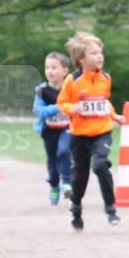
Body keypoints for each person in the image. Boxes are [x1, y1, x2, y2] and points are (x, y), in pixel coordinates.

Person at [58, 32, 125, 231]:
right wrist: (72, 108)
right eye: (94, 53)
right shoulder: (73, 80)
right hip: (79, 135)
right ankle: (76, 207)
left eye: (100, 52)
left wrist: (115, 116)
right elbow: (62, 103)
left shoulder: (105, 78)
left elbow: (104, 102)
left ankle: (111, 207)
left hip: (102, 131)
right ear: (81, 59)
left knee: (101, 165)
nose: (100, 56)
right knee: (80, 177)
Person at [33, 52, 74, 204]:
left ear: (65, 71)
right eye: (47, 67)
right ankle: (55, 186)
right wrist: (57, 107)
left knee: (64, 151)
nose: (50, 71)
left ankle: (68, 184)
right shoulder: (41, 90)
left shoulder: (71, 89)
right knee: (52, 160)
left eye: (54, 67)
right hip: (49, 130)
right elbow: (38, 111)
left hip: (68, 128)